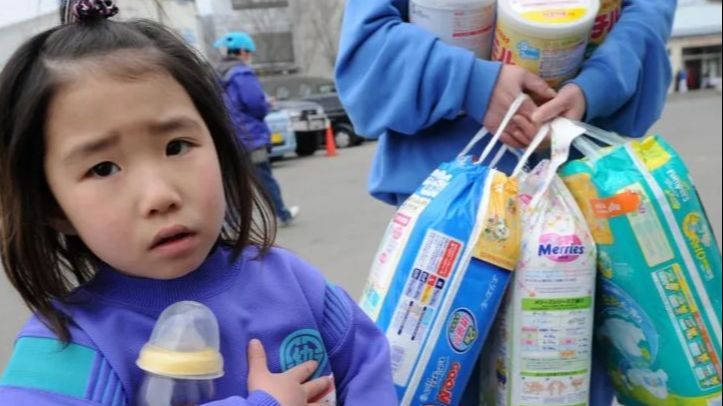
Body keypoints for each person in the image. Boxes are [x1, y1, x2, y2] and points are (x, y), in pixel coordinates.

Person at [0, 1, 396, 405]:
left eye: (177, 146)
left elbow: (368, 365)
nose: (160, 196)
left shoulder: (292, 281)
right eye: (103, 168)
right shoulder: (64, 345)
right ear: (52, 206)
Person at [335, 0, 676, 404]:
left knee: (559, 382)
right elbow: (367, 52)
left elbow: (646, 15)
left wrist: (594, 86)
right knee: (434, 382)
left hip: (572, 208)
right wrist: (471, 83)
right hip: (456, 219)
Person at [214, 31, 299, 227]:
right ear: (242, 52)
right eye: (249, 52)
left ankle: (229, 223)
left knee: (233, 182)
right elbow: (254, 104)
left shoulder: (217, 74)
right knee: (264, 178)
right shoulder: (242, 73)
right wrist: (267, 104)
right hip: (250, 135)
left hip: (229, 136)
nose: (249, 56)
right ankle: (281, 214)